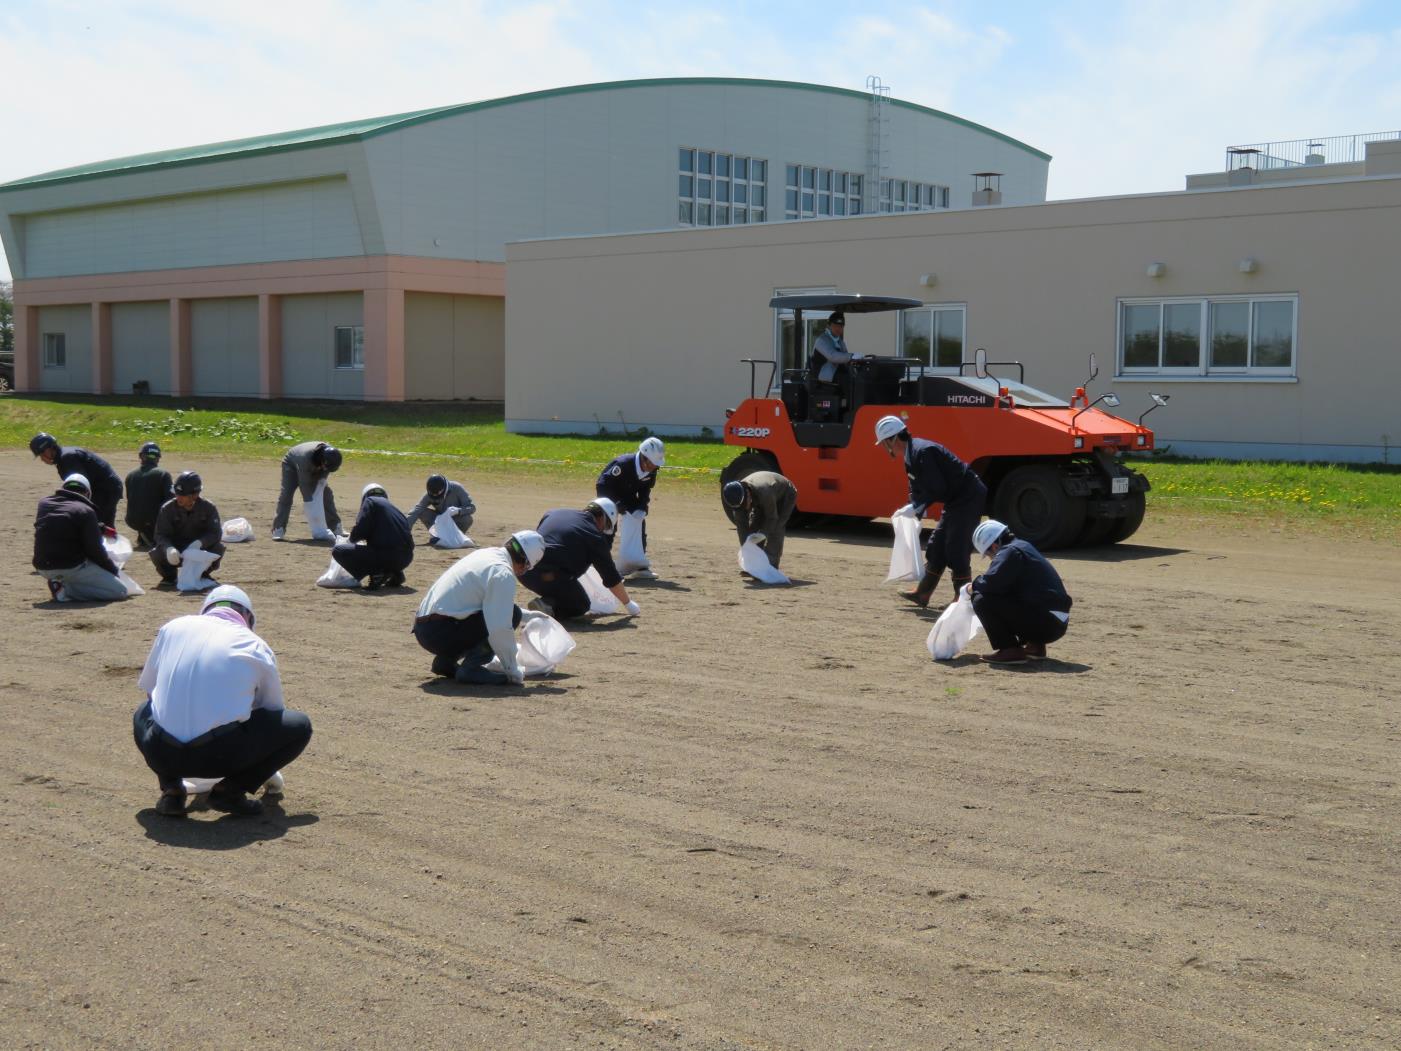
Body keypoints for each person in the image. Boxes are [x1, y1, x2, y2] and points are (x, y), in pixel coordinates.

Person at [132, 585, 313, 817]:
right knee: (299, 726)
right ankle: (230, 791)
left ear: (206, 611)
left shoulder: (172, 628)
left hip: (161, 754)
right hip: (220, 758)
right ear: (248, 617)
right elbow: (272, 710)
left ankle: (172, 790)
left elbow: (150, 692)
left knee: (142, 711)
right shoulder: (254, 644)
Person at [874, 415, 988, 608]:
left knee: (956, 548)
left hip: (968, 497)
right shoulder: (911, 455)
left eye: (884, 443)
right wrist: (912, 508)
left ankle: (963, 601)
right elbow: (916, 487)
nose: (885, 448)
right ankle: (923, 593)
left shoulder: (923, 452)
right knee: (936, 546)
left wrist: (916, 507)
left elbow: (937, 487)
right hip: (954, 499)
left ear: (892, 439)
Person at [412, 530, 551, 686]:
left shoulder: (486, 554)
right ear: (524, 564)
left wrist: (527, 615)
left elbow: (482, 603)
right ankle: (471, 669)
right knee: (512, 615)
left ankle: (445, 662)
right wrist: (512, 669)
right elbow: (500, 629)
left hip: (424, 628)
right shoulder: (502, 573)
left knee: (510, 613)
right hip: (440, 632)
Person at [968, 519, 1072, 664]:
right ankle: (1035, 646)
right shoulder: (1024, 546)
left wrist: (972, 586)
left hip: (1045, 624)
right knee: (1013, 592)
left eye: (989, 554)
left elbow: (991, 584)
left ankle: (1010, 650)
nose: (991, 558)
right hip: (1058, 623)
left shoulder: (1009, 552)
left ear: (994, 546)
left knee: (980, 598)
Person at [521, 498, 640, 620]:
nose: (603, 531)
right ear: (602, 518)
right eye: (607, 525)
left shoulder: (554, 512)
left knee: (565, 580)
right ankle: (547, 606)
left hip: (522, 569)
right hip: (547, 576)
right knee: (581, 604)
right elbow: (611, 577)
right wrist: (628, 604)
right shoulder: (594, 536)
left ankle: (547, 601)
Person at [32, 473, 129, 603]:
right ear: (87, 493)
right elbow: (95, 550)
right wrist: (113, 570)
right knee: (120, 591)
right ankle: (67, 589)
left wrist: (99, 527)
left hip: (42, 567)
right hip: (71, 567)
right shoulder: (86, 511)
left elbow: (64, 518)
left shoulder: (44, 503)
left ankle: (58, 583)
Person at [596, 436, 664, 573]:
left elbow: (645, 489)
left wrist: (642, 506)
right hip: (609, 496)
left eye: (656, 465)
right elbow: (602, 485)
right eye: (652, 464)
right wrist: (616, 504)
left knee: (638, 523)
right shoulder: (623, 464)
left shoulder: (652, 470)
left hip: (629, 496)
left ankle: (639, 565)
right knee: (608, 529)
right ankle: (602, 565)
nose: (653, 468)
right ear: (643, 457)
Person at [30, 432, 124, 529]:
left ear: (50, 448)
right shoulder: (64, 456)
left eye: (42, 454)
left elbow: (79, 487)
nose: (42, 459)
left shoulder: (67, 458)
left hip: (105, 490)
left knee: (97, 524)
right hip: (102, 488)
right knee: (96, 523)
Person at [331, 482, 414, 589]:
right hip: (406, 559)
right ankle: (395, 573)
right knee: (384, 548)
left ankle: (376, 573)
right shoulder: (396, 510)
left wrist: (350, 540)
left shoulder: (370, 501)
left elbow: (361, 528)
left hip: (385, 556)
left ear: (365, 496)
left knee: (338, 550)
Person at [150, 471, 225, 586]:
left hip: (198, 549)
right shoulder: (167, 509)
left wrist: (200, 543)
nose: (178, 497)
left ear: (195, 495)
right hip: (177, 548)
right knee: (157, 552)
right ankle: (169, 577)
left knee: (218, 548)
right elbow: (160, 534)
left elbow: (215, 533)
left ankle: (203, 573)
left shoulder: (209, 508)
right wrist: (169, 548)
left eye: (183, 495)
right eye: (177, 494)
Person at [722, 471, 798, 569]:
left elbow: (772, 518)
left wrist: (763, 533)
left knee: (776, 528)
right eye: (740, 507)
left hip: (785, 494)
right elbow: (742, 527)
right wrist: (747, 548)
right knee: (754, 526)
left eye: (744, 504)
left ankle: (770, 565)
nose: (743, 508)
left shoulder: (764, 492)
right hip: (763, 496)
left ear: (748, 494)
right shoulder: (737, 500)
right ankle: (754, 564)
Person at [271, 440, 343, 540]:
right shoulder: (305, 458)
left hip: (313, 464)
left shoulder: (330, 457)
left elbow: (323, 478)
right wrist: (312, 508)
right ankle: (278, 528)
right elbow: (305, 487)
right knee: (286, 495)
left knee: (327, 495)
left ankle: (335, 527)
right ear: (322, 460)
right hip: (291, 464)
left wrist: (320, 488)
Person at [124, 441, 173, 549]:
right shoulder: (163, 474)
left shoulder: (130, 475)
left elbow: (131, 499)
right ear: (158, 458)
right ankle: (156, 537)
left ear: (141, 456)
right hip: (154, 521)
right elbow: (171, 502)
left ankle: (144, 535)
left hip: (133, 521)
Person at [406, 474, 476, 543]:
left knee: (467, 519)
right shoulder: (429, 494)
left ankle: (457, 536)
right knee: (422, 511)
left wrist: (458, 510)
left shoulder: (457, 488)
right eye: (432, 493)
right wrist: (404, 529)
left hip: (456, 519)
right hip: (439, 521)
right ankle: (437, 535)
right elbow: (416, 510)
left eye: (437, 493)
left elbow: (472, 507)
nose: (434, 495)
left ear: (443, 488)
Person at [809, 312, 863, 385]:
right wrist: (851, 356)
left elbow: (845, 358)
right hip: (822, 375)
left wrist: (856, 360)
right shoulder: (822, 340)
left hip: (836, 373)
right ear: (829, 326)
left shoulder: (840, 342)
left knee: (860, 378)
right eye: (835, 326)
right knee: (847, 380)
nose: (838, 328)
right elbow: (832, 356)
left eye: (841, 326)